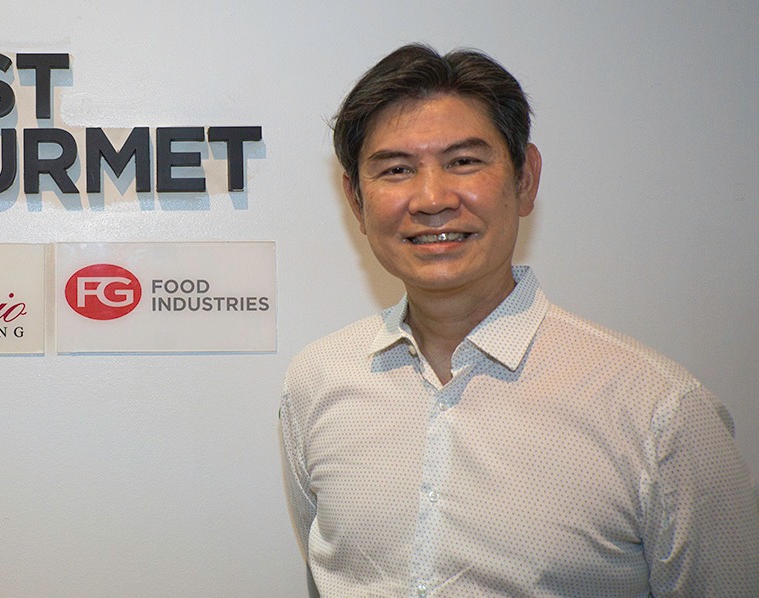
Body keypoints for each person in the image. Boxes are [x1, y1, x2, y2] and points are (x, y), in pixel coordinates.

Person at [280, 43, 759, 597]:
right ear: (356, 201)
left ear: (525, 179)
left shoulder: (660, 411)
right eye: (397, 169)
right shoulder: (317, 381)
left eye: (463, 162)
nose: (432, 199)